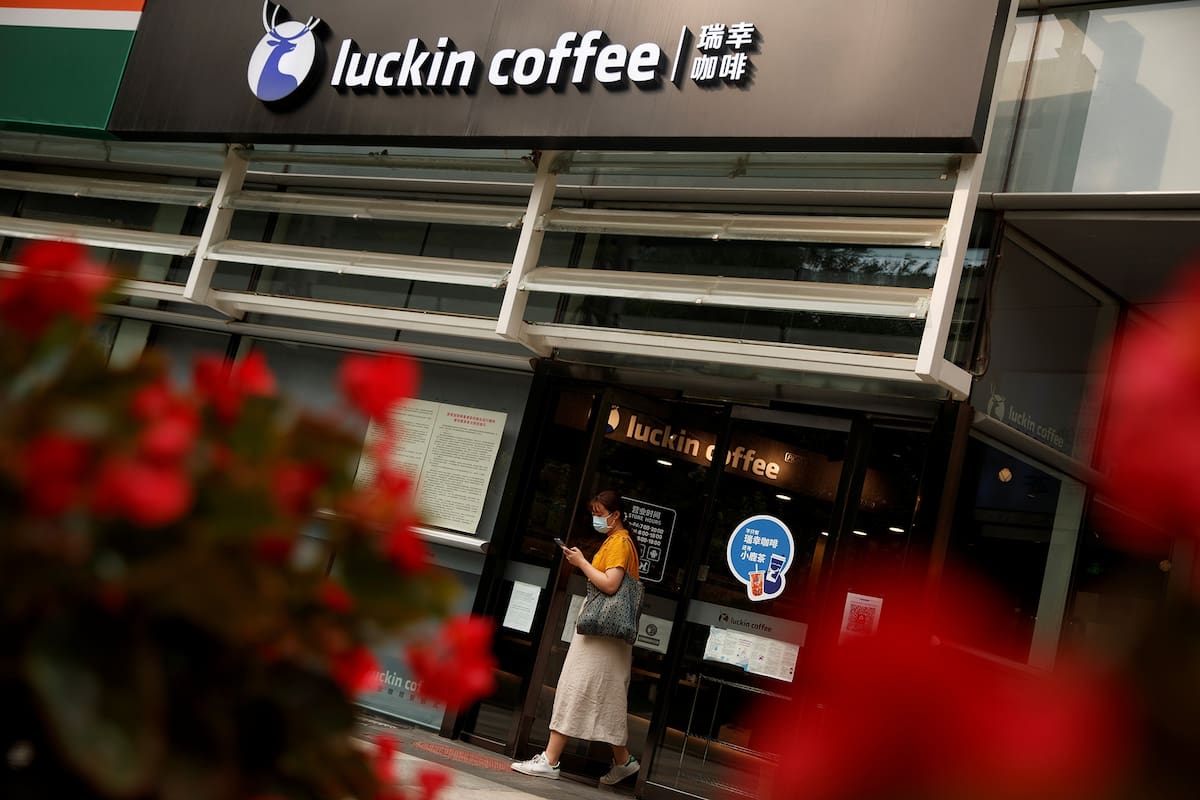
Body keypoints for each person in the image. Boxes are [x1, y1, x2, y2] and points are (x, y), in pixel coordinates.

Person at [511, 489, 641, 786]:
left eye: (599, 513)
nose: (595, 518)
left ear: (616, 514)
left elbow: (610, 585)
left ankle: (550, 760)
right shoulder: (617, 541)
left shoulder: (620, 542)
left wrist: (581, 563)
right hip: (606, 637)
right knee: (605, 696)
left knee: (575, 686)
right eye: (593, 513)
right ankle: (623, 761)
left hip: (600, 636)